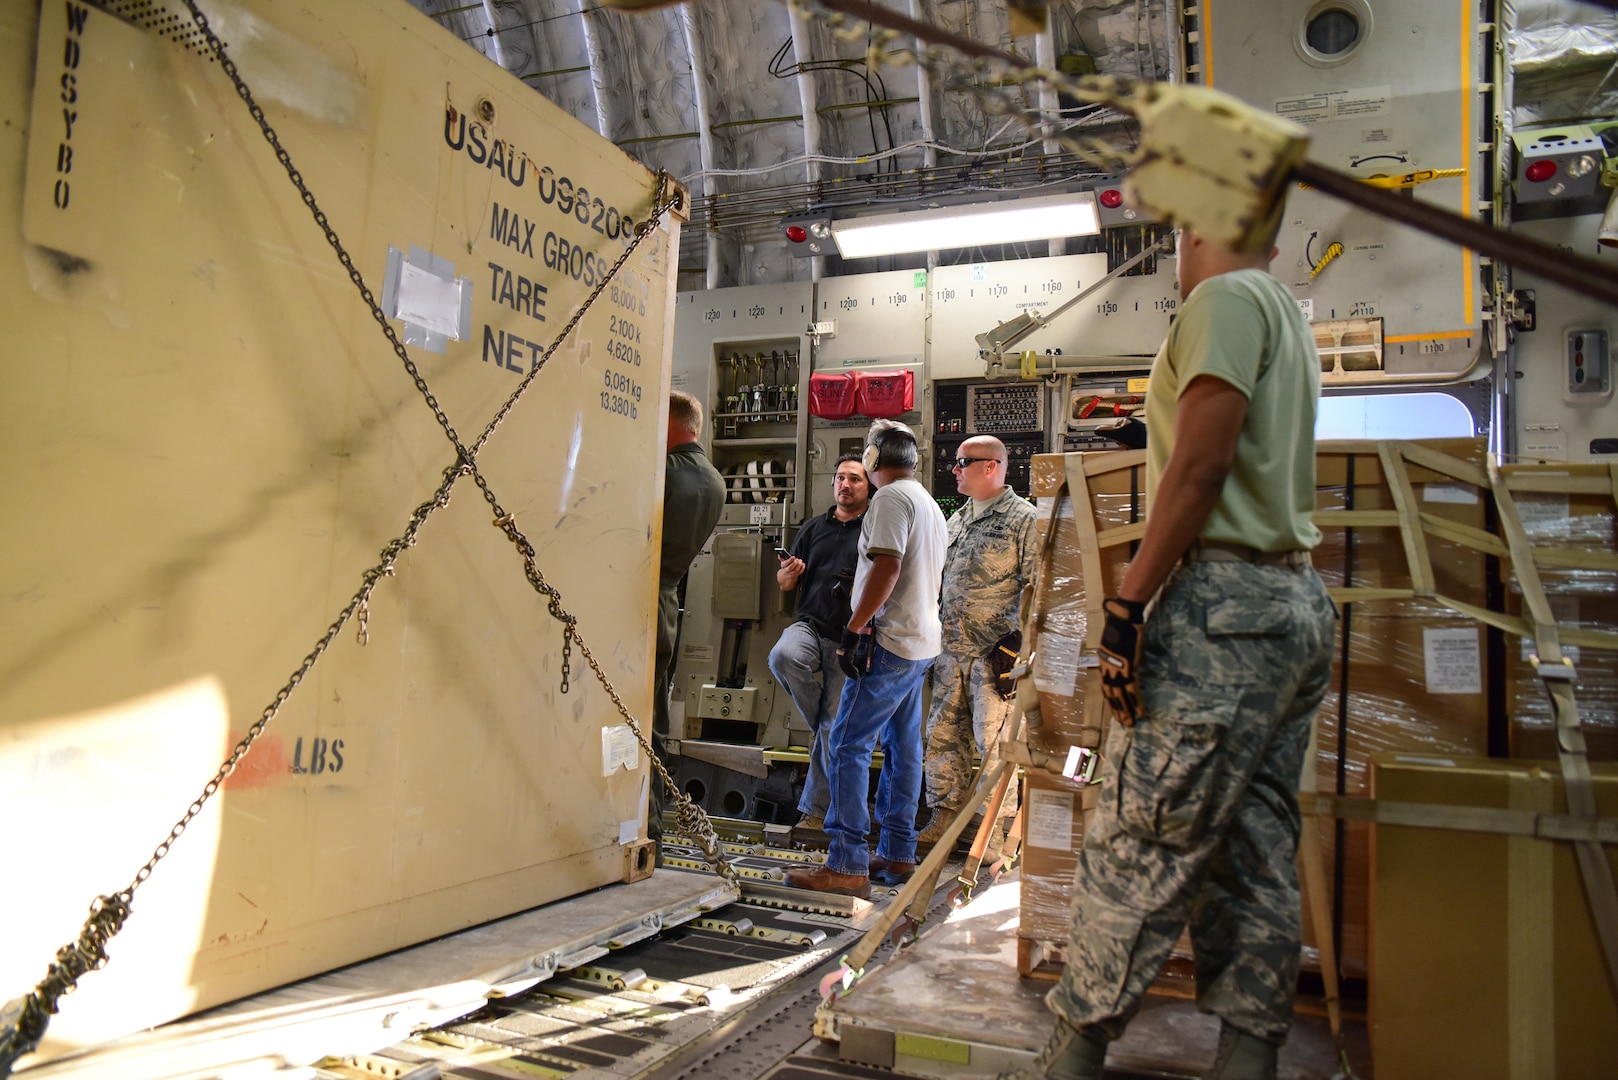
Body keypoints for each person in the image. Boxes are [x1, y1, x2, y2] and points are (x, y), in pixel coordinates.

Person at [1011, 215, 1337, 1080]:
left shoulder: (1222, 300)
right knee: (1254, 842)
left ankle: (1071, 1058)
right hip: (1292, 606)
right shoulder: (1283, 309)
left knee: (1141, 837)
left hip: (1222, 611)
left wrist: (1126, 604)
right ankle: (1247, 1060)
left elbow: (1199, 468)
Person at [783, 420, 946, 897]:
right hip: (920, 645)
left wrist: (855, 628)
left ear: (874, 460)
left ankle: (847, 862)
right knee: (902, 747)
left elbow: (888, 566)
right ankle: (897, 853)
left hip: (888, 643)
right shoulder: (927, 501)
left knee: (847, 745)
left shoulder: (892, 499)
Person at [917, 435, 1038, 849]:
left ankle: (991, 834)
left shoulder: (1024, 520)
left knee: (995, 746)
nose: (955, 469)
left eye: (963, 462)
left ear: (992, 466)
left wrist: (1016, 646)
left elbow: (1040, 588)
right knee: (943, 737)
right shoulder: (958, 519)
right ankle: (943, 819)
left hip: (995, 657)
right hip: (951, 652)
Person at [768, 454, 871, 832]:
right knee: (782, 656)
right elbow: (785, 584)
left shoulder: (874, 529)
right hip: (810, 626)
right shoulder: (813, 529)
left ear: (867, 486)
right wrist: (787, 573)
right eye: (841, 478)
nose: (846, 485)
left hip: (851, 638)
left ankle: (814, 813)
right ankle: (824, 725)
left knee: (832, 728)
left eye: (855, 479)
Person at [649, 391, 725, 847]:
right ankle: (649, 826)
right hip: (667, 607)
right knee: (654, 721)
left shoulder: (662, 474)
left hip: (634, 605)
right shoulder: (713, 480)